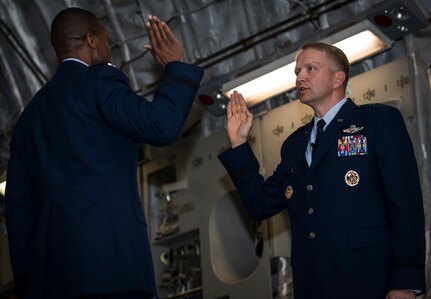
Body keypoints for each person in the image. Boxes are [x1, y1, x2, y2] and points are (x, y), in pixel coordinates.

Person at [4, 7, 203, 299]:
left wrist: (29, 284)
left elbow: (18, 212)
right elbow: (160, 126)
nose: (110, 48)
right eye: (107, 39)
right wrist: (176, 67)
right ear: (91, 40)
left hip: (53, 282)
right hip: (115, 270)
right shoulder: (100, 82)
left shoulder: (28, 119)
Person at [218, 42, 425, 299]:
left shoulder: (377, 123)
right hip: (313, 286)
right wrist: (238, 144)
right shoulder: (295, 145)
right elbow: (260, 204)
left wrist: (405, 283)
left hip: (370, 281)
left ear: (338, 77)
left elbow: (405, 204)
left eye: (310, 68)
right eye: (297, 72)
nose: (300, 77)